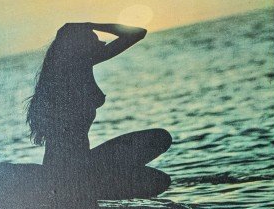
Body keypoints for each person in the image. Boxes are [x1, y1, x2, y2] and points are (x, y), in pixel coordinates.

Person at [25, 22, 171, 199]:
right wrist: (91, 24)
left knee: (160, 140)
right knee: (157, 177)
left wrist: (88, 26)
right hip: (69, 173)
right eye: (94, 39)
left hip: (75, 166)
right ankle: (84, 191)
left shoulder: (74, 67)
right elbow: (136, 34)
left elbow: (138, 33)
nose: (101, 42)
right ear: (80, 47)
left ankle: (92, 187)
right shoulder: (73, 71)